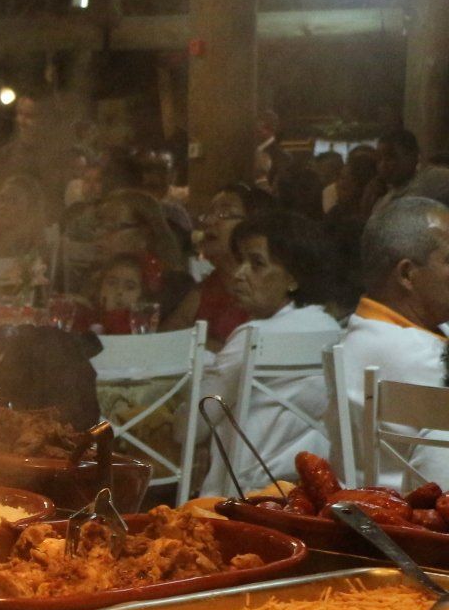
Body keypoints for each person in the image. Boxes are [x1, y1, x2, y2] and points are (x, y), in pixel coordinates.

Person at [198, 212, 344, 495]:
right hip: (310, 491)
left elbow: (191, 429)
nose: (239, 273)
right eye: (240, 260)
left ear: (292, 277)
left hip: (242, 495)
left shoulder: (252, 336)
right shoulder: (330, 328)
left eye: (257, 263)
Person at [334, 198, 449, 486]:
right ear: (407, 274)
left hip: (359, 506)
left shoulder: (365, 329)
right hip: (417, 511)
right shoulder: (422, 356)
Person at [166, 184, 258, 346]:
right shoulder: (207, 289)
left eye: (224, 213)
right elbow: (165, 340)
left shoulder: (265, 292)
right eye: (208, 214)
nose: (208, 221)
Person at [88, 188, 192, 319]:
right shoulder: (96, 275)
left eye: (111, 227)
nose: (99, 234)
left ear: (145, 233)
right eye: (99, 226)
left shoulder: (172, 286)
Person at [371, 129, 449, 217]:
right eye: (379, 159)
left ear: (413, 156)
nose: (383, 165)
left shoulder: (432, 178)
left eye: (390, 157)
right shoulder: (383, 202)